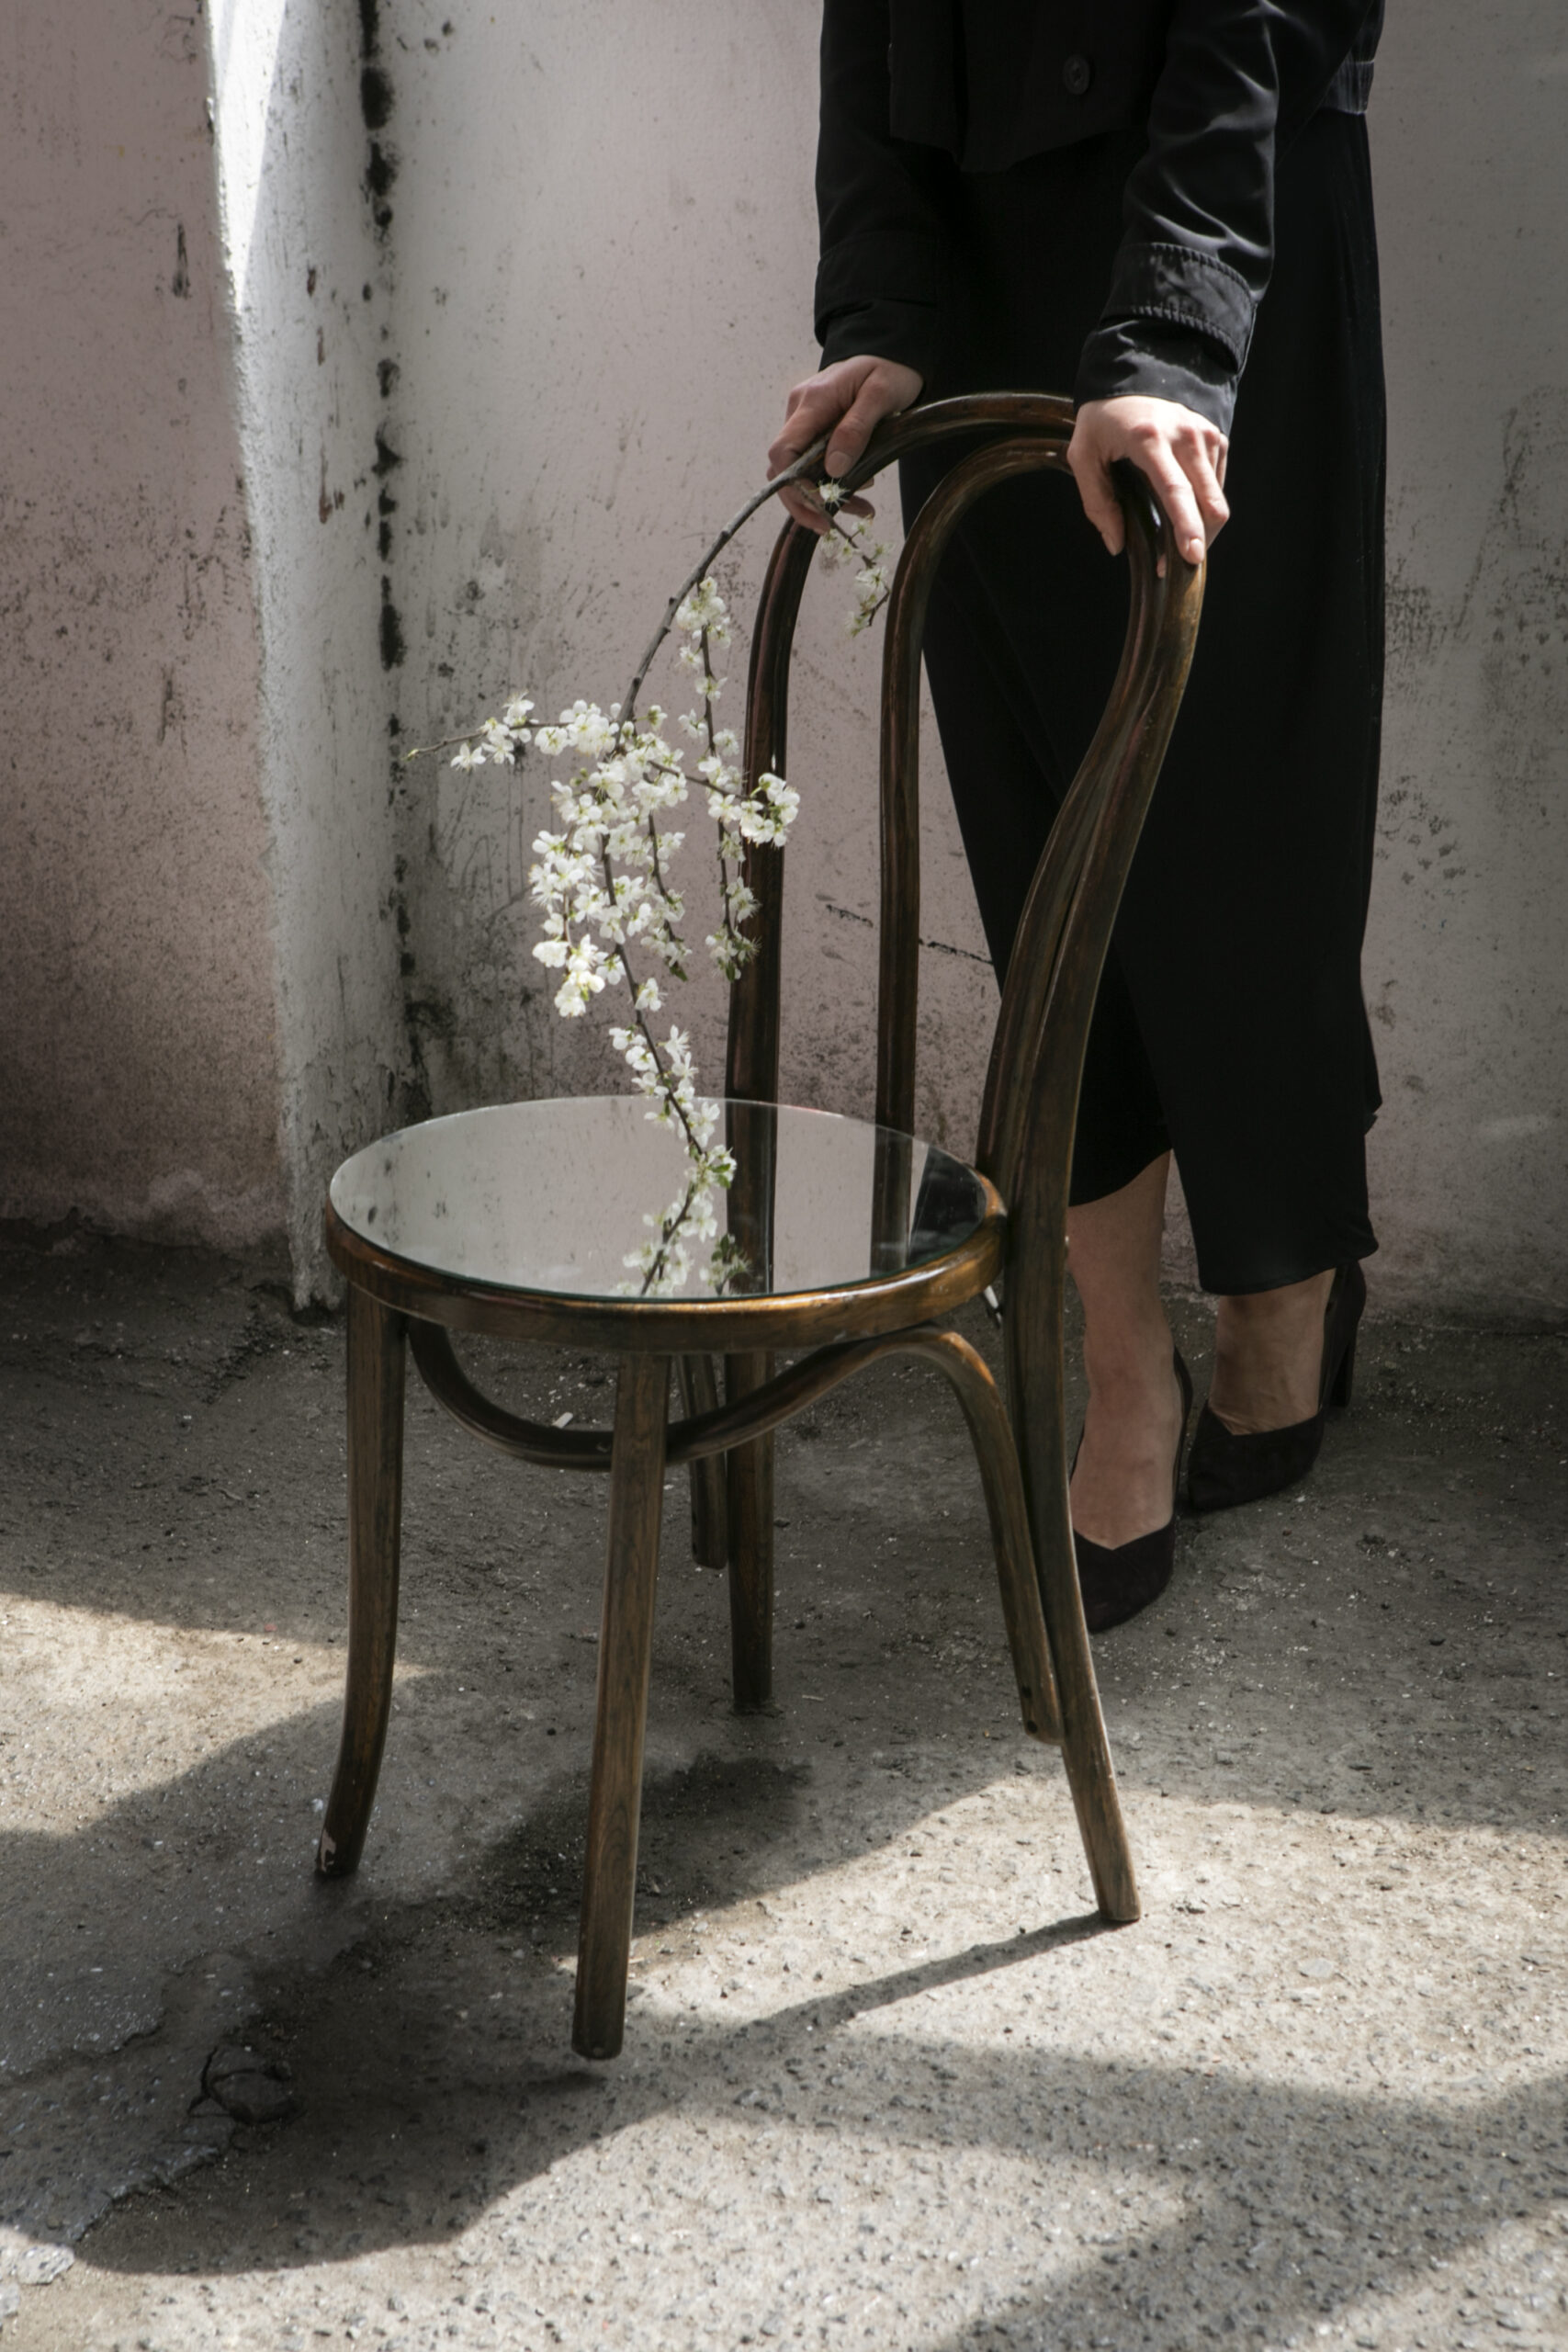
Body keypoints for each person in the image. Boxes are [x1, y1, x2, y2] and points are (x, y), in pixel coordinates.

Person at [768, 0, 1387, 1629]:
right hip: (977, 271)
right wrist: (885, 305)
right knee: (1043, 846)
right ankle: (1125, 1373)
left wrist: (1174, 339)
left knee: (1244, 840)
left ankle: (1282, 1290)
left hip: (1222, 229)